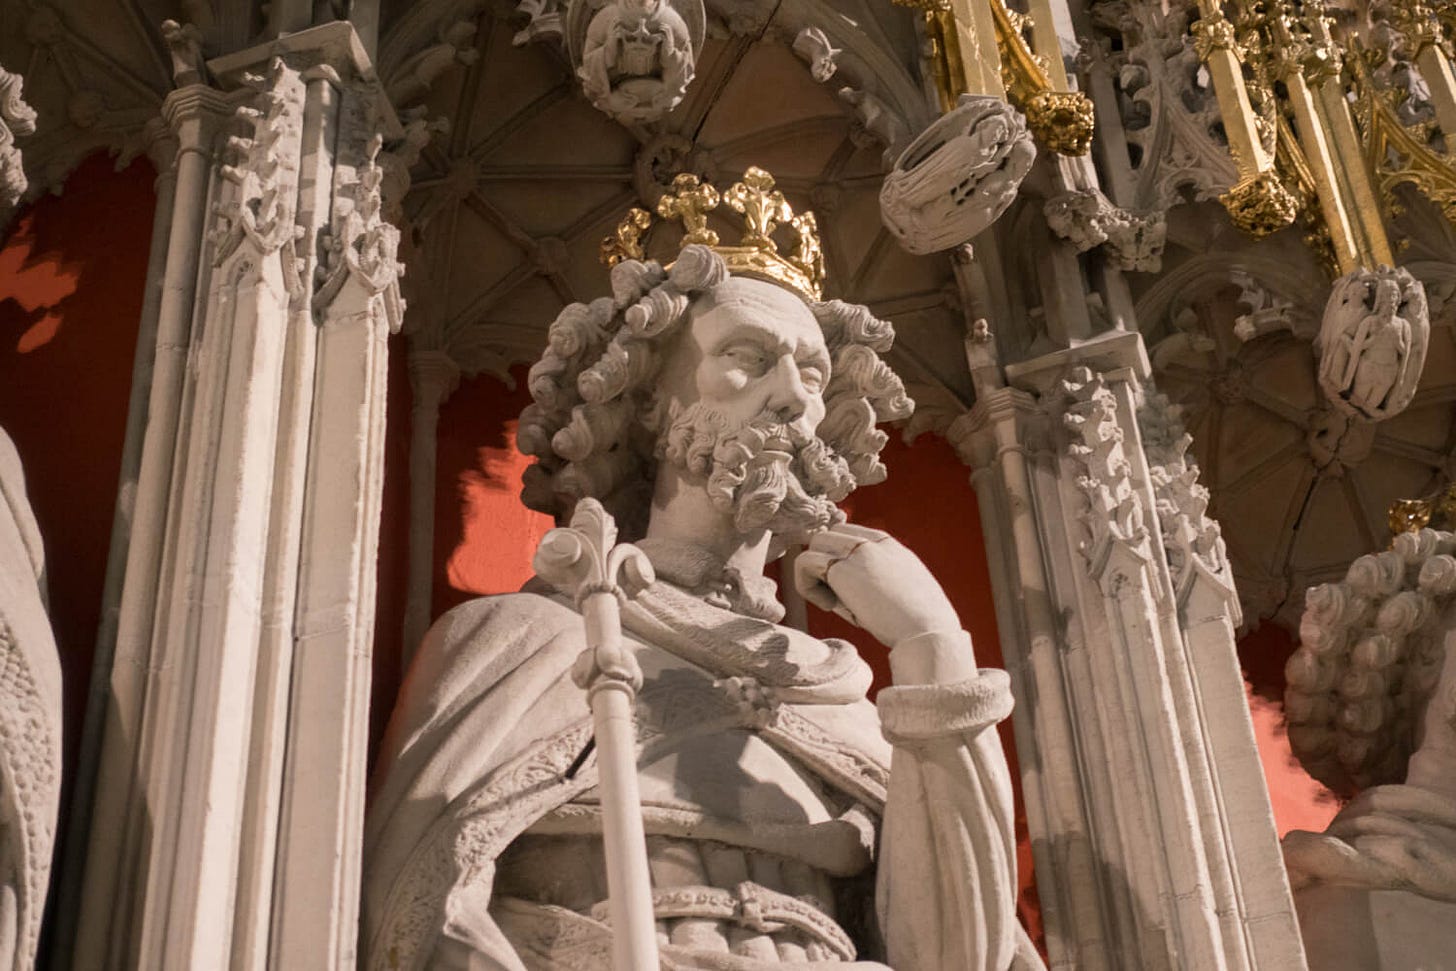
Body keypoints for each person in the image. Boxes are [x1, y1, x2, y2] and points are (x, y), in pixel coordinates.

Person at [363, 237, 1041, 970]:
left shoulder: (849, 707)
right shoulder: (524, 641)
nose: (793, 395)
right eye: (747, 356)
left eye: (812, 372)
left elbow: (957, 959)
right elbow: (417, 917)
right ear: (648, 398)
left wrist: (931, 645)